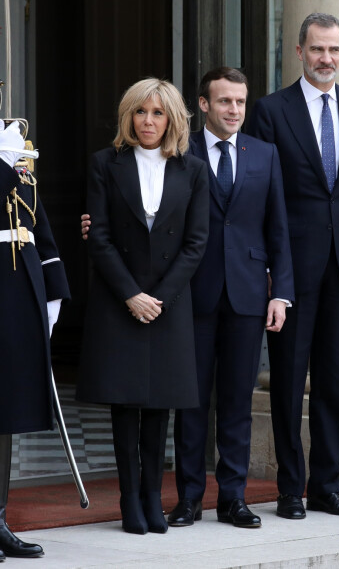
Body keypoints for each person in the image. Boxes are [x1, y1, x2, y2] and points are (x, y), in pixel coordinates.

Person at [247, 12, 339, 519]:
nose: (326, 58)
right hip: (290, 268)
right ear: (299, 51)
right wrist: (267, 267)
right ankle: (288, 489)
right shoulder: (270, 110)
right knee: (286, 379)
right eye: (317, 49)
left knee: (333, 379)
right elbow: (258, 193)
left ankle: (326, 485)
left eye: (334, 50)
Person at [76, 78, 209, 535]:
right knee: (125, 404)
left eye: (156, 113)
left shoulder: (192, 170)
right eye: (139, 112)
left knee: (160, 405)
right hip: (121, 299)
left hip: (168, 302)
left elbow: (196, 242)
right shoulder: (103, 164)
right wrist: (131, 295)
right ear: (127, 117)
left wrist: (160, 298)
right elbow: (100, 238)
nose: (147, 121)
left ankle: (154, 496)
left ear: (171, 118)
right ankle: (129, 498)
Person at [167, 67, 294, 529]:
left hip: (247, 296)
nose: (235, 110)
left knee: (238, 401)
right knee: (192, 401)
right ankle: (188, 499)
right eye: (224, 102)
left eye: (240, 102)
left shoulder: (265, 154)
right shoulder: (180, 152)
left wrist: (281, 293)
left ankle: (233, 499)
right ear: (203, 104)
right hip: (193, 293)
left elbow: (278, 229)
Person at [0, 120, 70, 558]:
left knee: (7, 410)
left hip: (18, 289)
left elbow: (35, 220)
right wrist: (6, 163)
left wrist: (54, 287)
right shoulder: (9, 155)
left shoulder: (15, 151)